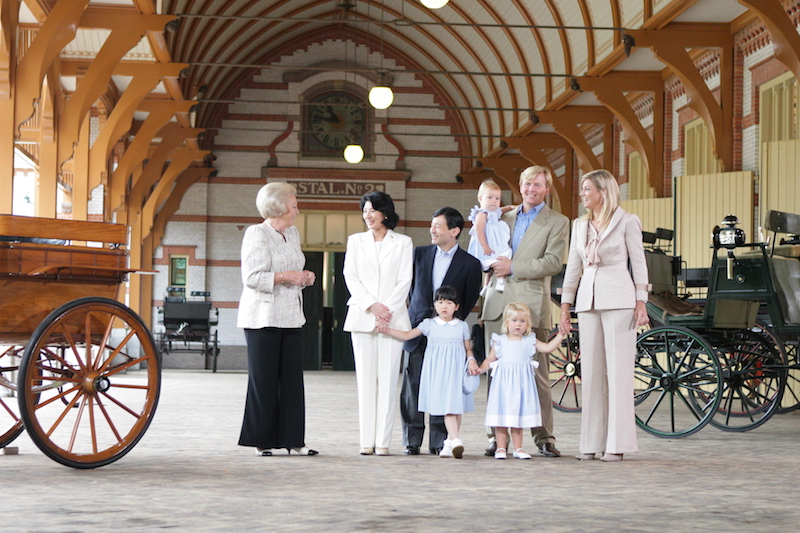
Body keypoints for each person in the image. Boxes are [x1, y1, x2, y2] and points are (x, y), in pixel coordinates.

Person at [558, 169, 650, 462]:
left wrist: (641, 301)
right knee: (592, 375)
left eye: (587, 189)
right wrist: (565, 306)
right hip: (588, 301)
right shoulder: (579, 225)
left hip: (620, 300)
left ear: (603, 192)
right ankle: (590, 443)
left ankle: (617, 443)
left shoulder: (628, 221)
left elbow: (639, 263)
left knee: (619, 375)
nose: (582, 194)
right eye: (582, 189)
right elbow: (573, 267)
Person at [480, 165, 570, 458]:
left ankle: (544, 437)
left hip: (530, 307)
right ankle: (497, 438)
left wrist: (514, 267)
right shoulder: (501, 215)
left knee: (538, 376)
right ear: (520, 185)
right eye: (528, 183)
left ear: (547, 189)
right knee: (496, 373)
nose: (532, 189)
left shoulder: (557, 222)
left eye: (538, 185)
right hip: (497, 304)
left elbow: (554, 262)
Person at [237, 182, 318, 457]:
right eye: (294, 204)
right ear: (280, 206)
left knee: (293, 380)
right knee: (265, 380)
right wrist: (286, 277)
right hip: (263, 317)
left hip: (292, 315)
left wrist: (305, 277)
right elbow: (252, 278)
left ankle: (295, 439)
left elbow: (294, 268)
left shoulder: (292, 233)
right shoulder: (257, 233)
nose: (297, 209)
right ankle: (263, 440)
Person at [401, 207, 482, 456]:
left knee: (443, 386)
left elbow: (467, 301)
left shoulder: (470, 264)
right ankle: (411, 440)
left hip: (448, 337)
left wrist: (447, 322)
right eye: (432, 225)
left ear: (455, 231)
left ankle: (440, 441)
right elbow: (411, 289)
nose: (432, 230)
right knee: (412, 386)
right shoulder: (419, 254)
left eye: (438, 225)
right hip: (419, 329)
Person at [343, 191, 413, 456]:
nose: (368, 215)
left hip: (393, 319)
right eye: (364, 211)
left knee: (387, 381)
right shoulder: (356, 241)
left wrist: (387, 310)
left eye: (372, 210)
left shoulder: (403, 242)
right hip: (362, 317)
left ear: (385, 212)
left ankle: (383, 441)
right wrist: (372, 305)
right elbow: (350, 275)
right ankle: (366, 441)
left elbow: (404, 280)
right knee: (366, 381)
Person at [380, 286, 480, 459]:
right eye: (440, 302)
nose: (444, 306)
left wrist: (471, 360)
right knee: (447, 406)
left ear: (456, 307)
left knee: (456, 407)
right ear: (435, 304)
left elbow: (467, 348)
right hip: (438, 372)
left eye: (449, 303)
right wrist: (386, 329)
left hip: (455, 371)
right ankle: (456, 439)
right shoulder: (429, 324)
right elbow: (407, 335)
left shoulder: (462, 326)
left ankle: (448, 443)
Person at [478, 302, 565, 459]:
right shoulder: (500, 341)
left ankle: (518, 448)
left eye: (522, 321)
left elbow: (547, 348)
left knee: (517, 418)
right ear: (506, 322)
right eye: (514, 320)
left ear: (528, 324)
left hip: (521, 386)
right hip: (503, 386)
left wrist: (560, 335)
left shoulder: (529, 340)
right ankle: (501, 448)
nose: (518, 324)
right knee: (502, 417)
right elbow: (490, 359)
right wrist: (479, 369)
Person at [467, 179, 513, 292]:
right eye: (490, 198)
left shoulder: (493, 212)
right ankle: (500, 280)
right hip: (488, 242)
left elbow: (501, 210)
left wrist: (510, 207)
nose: (494, 201)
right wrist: (484, 246)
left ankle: (487, 286)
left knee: (496, 261)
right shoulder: (481, 214)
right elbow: (479, 230)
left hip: (495, 242)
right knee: (498, 260)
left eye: (497, 198)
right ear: (480, 198)